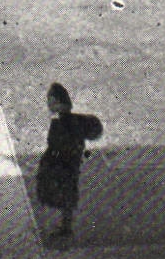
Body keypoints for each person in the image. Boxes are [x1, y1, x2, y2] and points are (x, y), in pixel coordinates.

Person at [35, 82, 103, 240]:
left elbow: (58, 144)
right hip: (69, 164)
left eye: (51, 100)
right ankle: (65, 227)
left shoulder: (61, 122)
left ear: (59, 102)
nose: (48, 104)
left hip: (63, 165)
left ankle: (65, 230)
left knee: (63, 194)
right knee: (67, 195)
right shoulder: (68, 119)